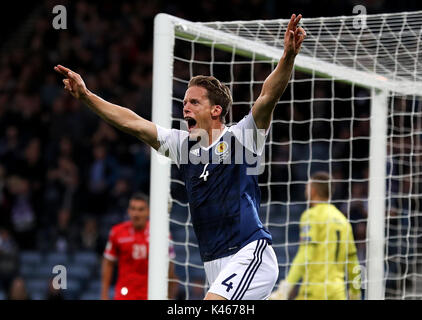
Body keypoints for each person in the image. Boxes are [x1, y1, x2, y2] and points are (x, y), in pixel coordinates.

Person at [55, 14, 306, 300]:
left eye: (194, 102)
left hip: (250, 251)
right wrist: (87, 96)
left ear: (216, 110)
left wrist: (287, 57)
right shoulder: (182, 146)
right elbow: (132, 123)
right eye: (184, 102)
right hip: (215, 262)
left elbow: (267, 98)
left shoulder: (241, 138)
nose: (185, 108)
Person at [270, 172, 362, 300]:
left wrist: (286, 287)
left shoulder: (311, 215)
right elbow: (352, 260)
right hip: (338, 293)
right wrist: (355, 292)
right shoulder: (343, 220)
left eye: (307, 186)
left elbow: (305, 254)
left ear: (312, 191)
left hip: (314, 292)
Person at [101, 192, 178, 300]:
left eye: (141, 209)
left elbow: (170, 266)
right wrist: (104, 295)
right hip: (124, 295)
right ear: (128, 211)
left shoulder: (161, 233)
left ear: (148, 211)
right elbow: (108, 262)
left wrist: (170, 295)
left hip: (152, 295)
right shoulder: (117, 232)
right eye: (133, 209)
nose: (136, 213)